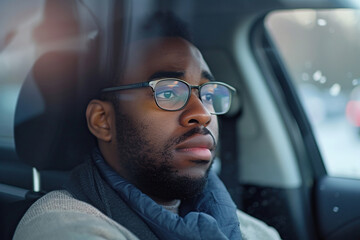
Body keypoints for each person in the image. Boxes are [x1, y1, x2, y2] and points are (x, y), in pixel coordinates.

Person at [13, 12, 281, 240]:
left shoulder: (256, 232)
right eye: (167, 93)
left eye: (208, 94)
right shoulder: (61, 228)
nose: (202, 113)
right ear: (102, 121)